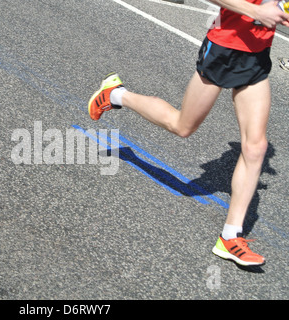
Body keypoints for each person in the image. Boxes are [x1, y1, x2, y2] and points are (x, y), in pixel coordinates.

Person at [88, 0, 289, 267]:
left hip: (257, 54)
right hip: (224, 49)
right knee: (182, 126)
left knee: (256, 147)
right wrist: (256, 11)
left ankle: (230, 237)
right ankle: (115, 95)